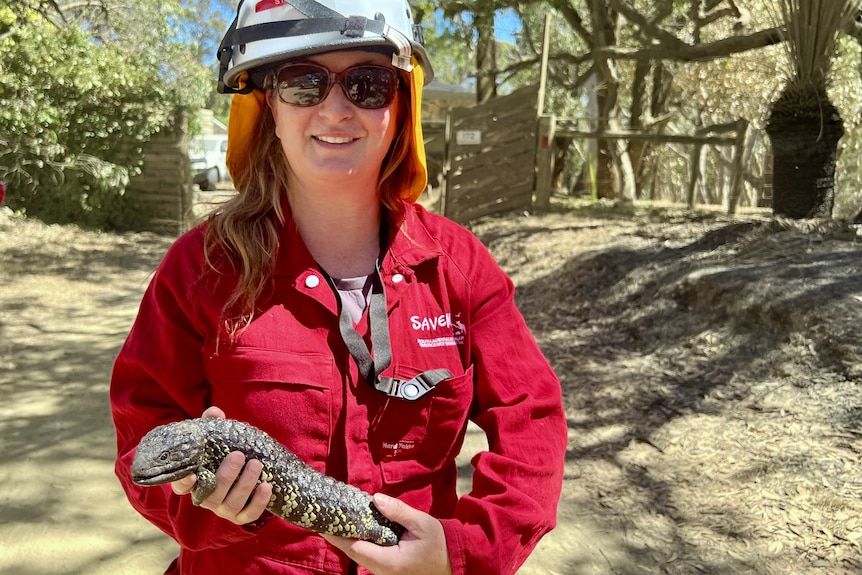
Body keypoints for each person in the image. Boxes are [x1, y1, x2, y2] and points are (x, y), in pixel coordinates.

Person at [110, 1, 568, 574]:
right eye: (303, 83)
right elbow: (140, 435)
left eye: (368, 83)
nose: (335, 108)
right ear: (268, 106)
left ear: (400, 107)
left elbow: (534, 420)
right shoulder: (200, 271)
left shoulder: (459, 268)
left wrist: (463, 551)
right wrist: (209, 507)